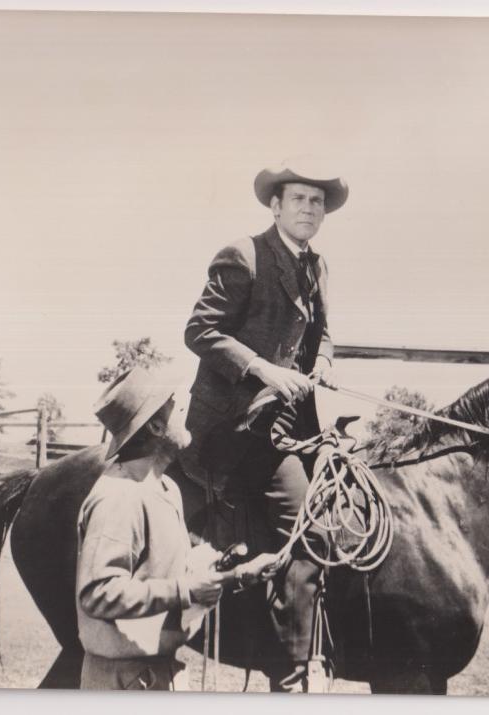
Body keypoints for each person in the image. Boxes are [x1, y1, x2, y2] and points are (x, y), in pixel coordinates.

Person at [184, 162, 349, 692]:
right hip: (235, 428)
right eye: (298, 198)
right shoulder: (244, 255)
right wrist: (263, 369)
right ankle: (292, 674)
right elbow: (200, 331)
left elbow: (323, 334)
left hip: (292, 425)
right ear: (275, 206)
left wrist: (323, 361)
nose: (308, 208)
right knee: (309, 529)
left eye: (316, 202)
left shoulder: (317, 266)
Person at [76, 366, 276, 690]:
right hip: (123, 683)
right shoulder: (120, 495)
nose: (185, 407)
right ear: (156, 425)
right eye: (174, 402)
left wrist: (235, 576)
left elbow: (166, 574)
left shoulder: (166, 488)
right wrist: (187, 590)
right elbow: (99, 594)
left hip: (158, 674)